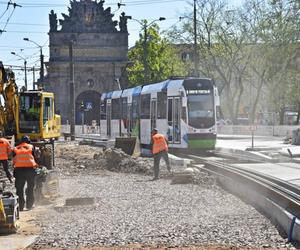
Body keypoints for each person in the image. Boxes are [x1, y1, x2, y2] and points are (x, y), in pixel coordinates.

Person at [13, 135, 38, 211]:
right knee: (30, 188)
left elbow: (13, 159)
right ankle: (29, 205)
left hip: (19, 171)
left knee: (19, 189)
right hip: (30, 170)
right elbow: (36, 157)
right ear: (28, 141)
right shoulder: (32, 147)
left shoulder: (16, 148)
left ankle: (20, 206)